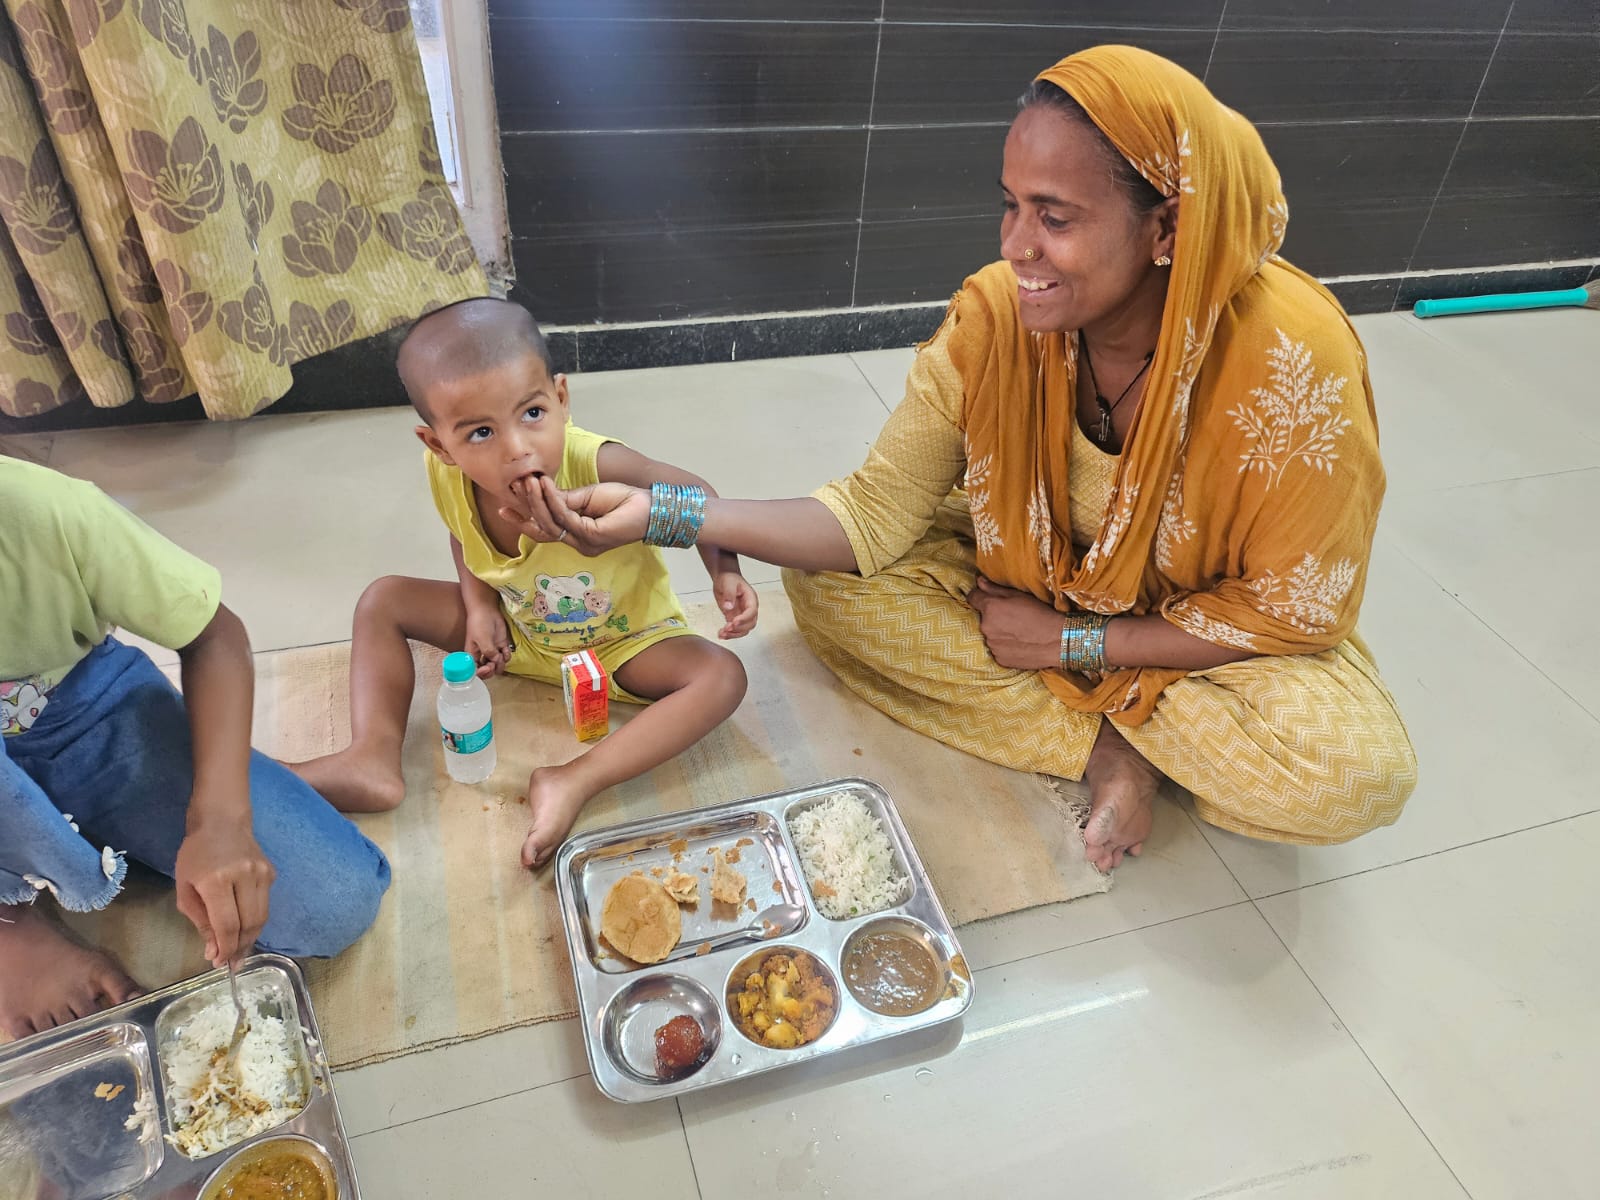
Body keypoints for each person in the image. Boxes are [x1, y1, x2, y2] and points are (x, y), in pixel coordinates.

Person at [503, 45, 1418, 873]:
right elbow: (871, 515)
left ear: (1167, 229)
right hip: (1035, 573)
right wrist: (670, 517)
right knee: (828, 587)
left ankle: (1095, 711)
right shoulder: (995, 317)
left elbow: (1289, 614)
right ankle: (1106, 749)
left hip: (1198, 621)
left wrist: (1072, 642)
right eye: (1011, 206)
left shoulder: (1292, 363)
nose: (1016, 247)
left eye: (1054, 216)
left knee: (1353, 775)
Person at [292, 298, 755, 868]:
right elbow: (462, 533)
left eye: (533, 413)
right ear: (439, 446)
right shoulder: (446, 475)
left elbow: (699, 498)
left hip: (626, 643)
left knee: (722, 676)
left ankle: (574, 778)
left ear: (561, 398)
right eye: (481, 432)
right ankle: (371, 757)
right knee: (383, 599)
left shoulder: (597, 463)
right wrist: (478, 605)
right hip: (520, 633)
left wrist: (725, 571)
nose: (517, 448)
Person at [0, 457, 390, 1040]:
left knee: (334, 901)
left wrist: (220, 820)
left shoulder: (43, 510)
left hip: (84, 719)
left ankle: (234, 782)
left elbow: (213, 635)